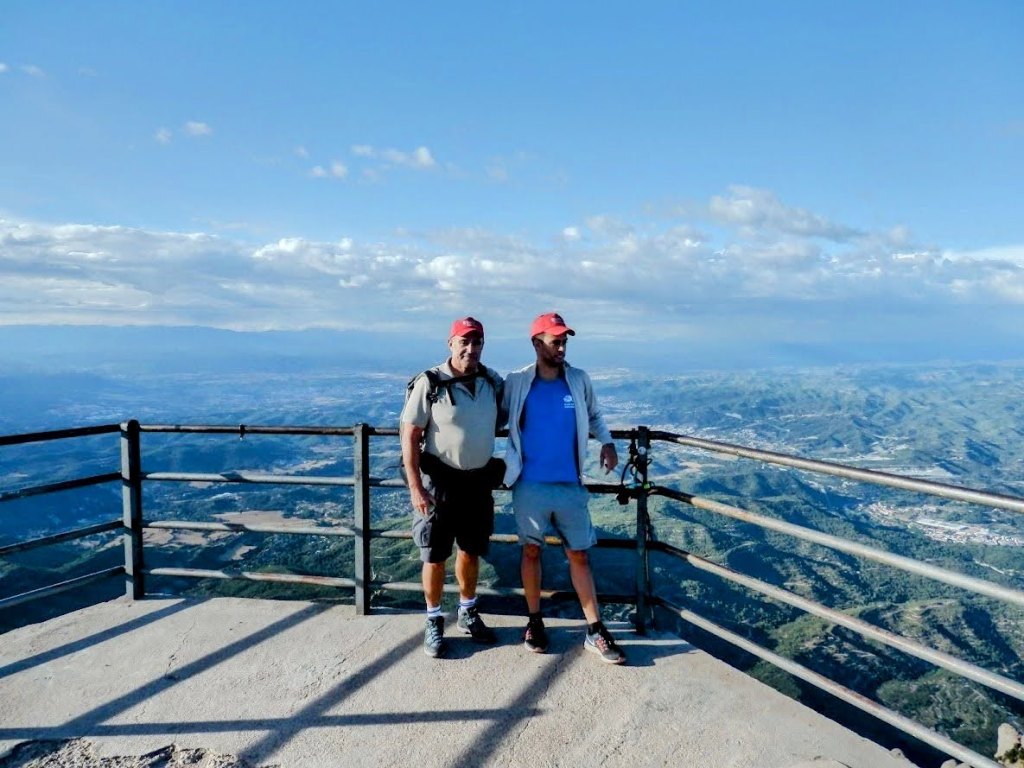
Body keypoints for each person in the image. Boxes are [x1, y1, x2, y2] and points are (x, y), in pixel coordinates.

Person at [502, 312, 625, 664]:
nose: (562, 347)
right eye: (555, 341)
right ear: (536, 343)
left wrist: (606, 441)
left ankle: (595, 630)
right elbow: (492, 414)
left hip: (570, 483)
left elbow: (595, 414)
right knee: (531, 552)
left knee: (580, 554)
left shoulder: (578, 380)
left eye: (564, 340)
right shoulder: (518, 382)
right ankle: (534, 622)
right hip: (529, 484)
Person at [400, 316, 506, 658]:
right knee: (433, 553)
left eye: (477, 343)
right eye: (464, 342)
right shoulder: (430, 382)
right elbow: (410, 435)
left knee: (471, 549)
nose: (471, 349)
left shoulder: (492, 381)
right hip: (439, 480)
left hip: (478, 481)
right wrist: (416, 487)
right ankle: (433, 620)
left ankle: (467, 611)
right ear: (451, 343)